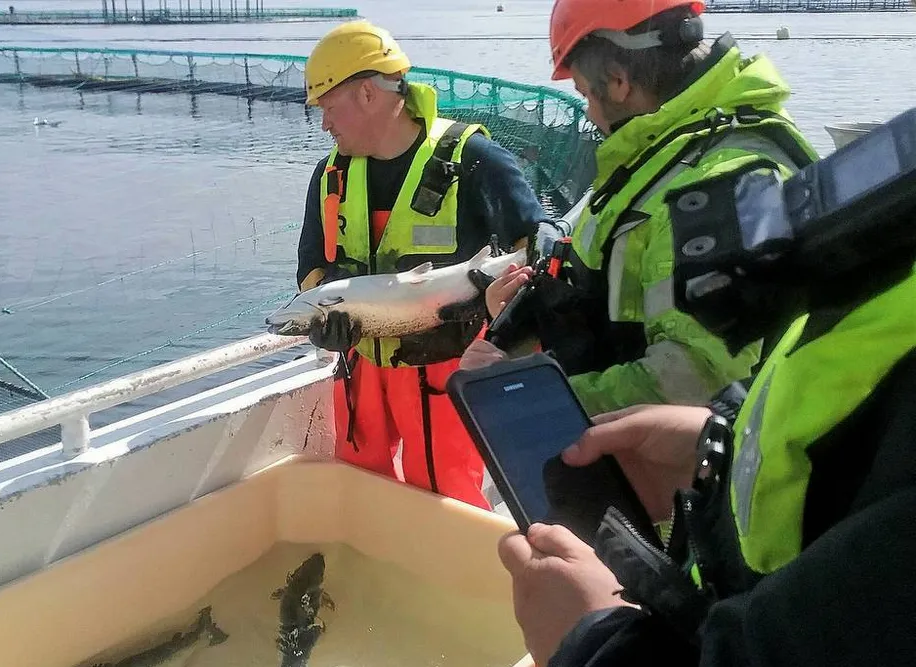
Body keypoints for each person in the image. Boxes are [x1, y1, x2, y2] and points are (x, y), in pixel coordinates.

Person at [493, 112, 916, 665]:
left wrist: (593, 644)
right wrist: (719, 444)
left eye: (582, 81)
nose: (580, 97)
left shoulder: (725, 166)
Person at [470, 0, 818, 416]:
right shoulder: (671, 150)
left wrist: (527, 396)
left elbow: (698, 381)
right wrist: (527, 324)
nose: (589, 113)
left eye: (585, 94)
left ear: (618, 81)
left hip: (663, 452)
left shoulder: (716, 188)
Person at [295, 20, 552, 509]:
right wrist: (325, 319)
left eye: (328, 107)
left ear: (367, 93)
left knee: (446, 500)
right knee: (358, 493)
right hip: (359, 369)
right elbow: (312, 265)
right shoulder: (330, 174)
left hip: (444, 369)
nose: (324, 123)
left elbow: (538, 246)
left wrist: (494, 313)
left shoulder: (473, 158)